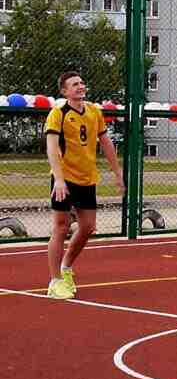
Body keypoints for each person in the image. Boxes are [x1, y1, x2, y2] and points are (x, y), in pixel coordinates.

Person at [45, 71, 123, 299]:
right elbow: (51, 147)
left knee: (88, 227)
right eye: (74, 84)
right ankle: (55, 282)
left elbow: (106, 142)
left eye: (81, 83)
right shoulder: (58, 113)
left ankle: (66, 267)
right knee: (61, 226)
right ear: (64, 91)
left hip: (86, 177)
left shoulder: (94, 112)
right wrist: (58, 179)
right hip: (64, 178)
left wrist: (117, 172)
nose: (80, 86)